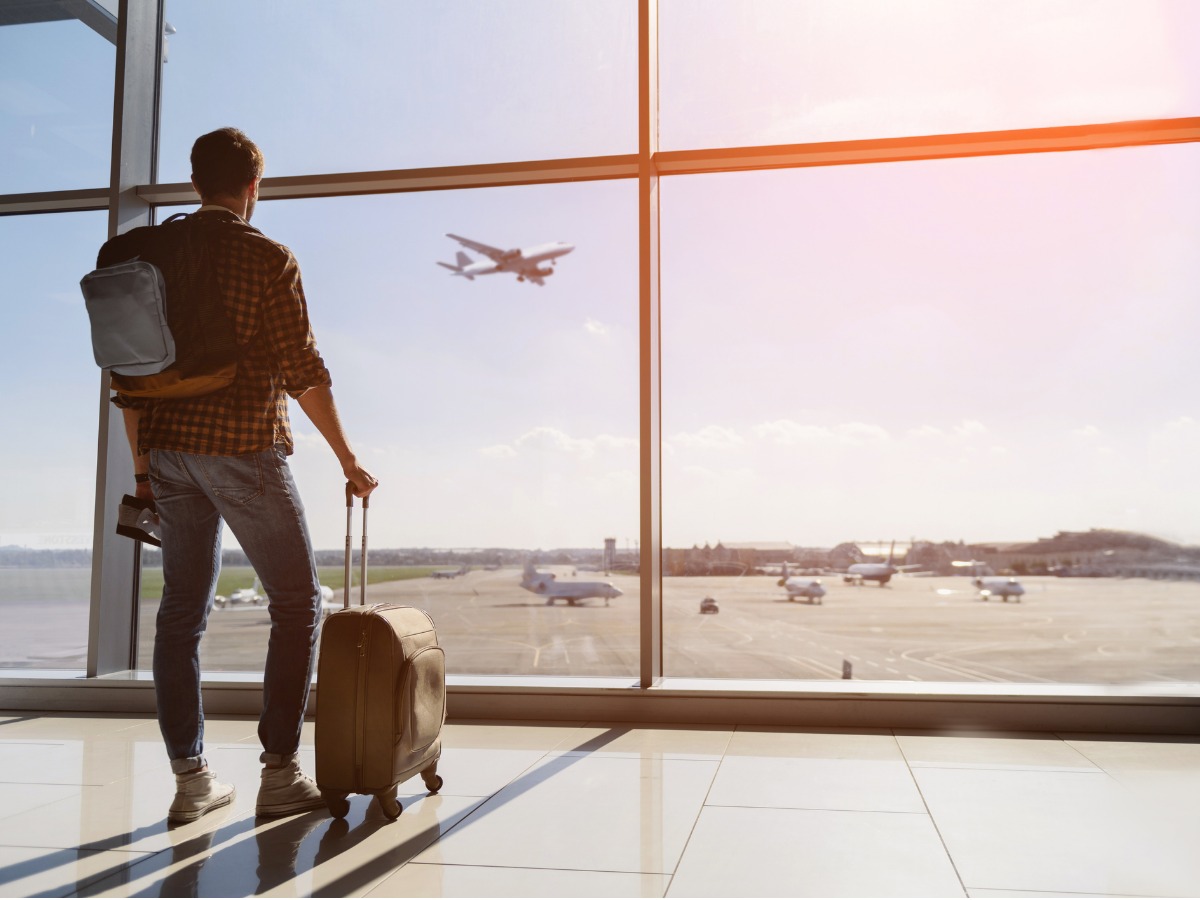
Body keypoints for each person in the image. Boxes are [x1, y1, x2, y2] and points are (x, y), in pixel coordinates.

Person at [113, 127, 378, 824]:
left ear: (196, 181)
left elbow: (129, 380)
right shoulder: (266, 256)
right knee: (296, 604)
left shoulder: (150, 254)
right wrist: (347, 458)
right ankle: (280, 770)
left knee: (181, 614)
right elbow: (302, 370)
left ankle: (191, 779)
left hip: (168, 453)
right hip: (241, 446)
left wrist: (143, 472)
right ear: (253, 187)